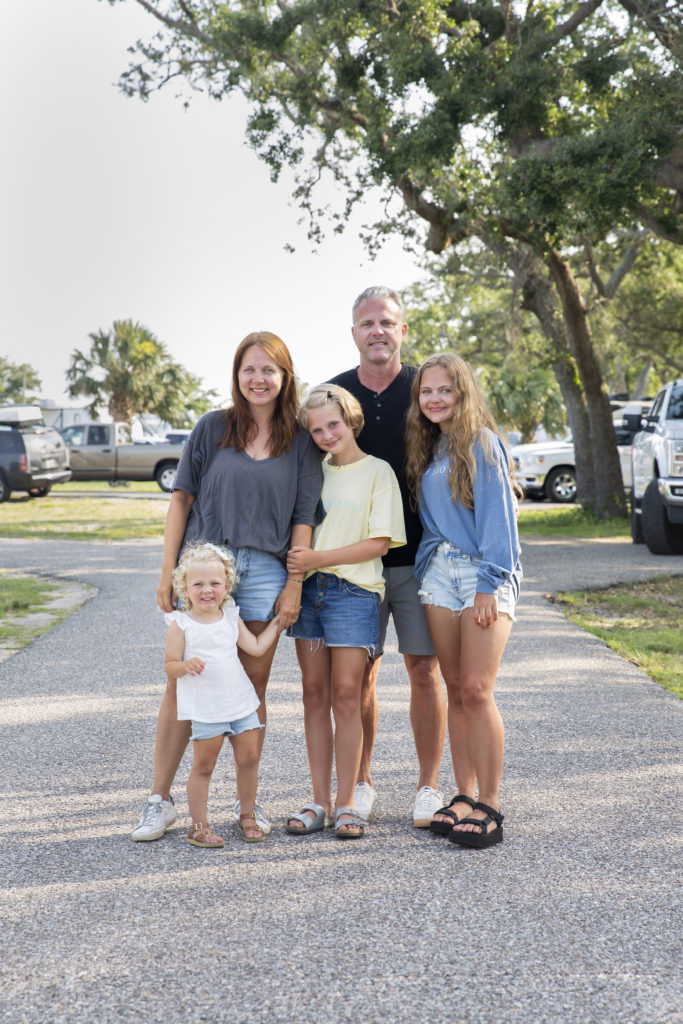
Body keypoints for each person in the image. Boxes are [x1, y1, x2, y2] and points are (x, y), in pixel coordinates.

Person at [132, 331, 323, 842]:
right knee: (183, 684)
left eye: (269, 370)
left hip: (265, 569)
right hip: (204, 566)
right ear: (237, 376)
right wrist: (168, 569)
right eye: (249, 369)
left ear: (285, 378)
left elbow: (303, 517)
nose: (258, 379)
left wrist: (294, 584)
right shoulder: (212, 428)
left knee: (249, 690)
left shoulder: (300, 441)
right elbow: (180, 500)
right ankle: (161, 801)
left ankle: (247, 806)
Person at [329, 287, 448, 828]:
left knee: (424, 670)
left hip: (421, 557)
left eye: (387, 322)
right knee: (362, 676)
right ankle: (363, 782)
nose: (377, 330)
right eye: (367, 323)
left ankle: (428, 786)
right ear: (353, 332)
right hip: (358, 565)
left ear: (403, 330)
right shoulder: (335, 397)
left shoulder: (428, 387)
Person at [405, 352, 522, 848]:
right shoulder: (430, 447)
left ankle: (491, 803)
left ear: (463, 392)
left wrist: (487, 584)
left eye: (444, 390)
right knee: (454, 687)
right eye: (426, 391)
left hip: (481, 574)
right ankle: (464, 794)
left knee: (477, 688)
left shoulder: (482, 443)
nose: (434, 399)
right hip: (437, 577)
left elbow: (499, 522)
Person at [284, 385, 406, 839]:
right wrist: (296, 583)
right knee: (313, 695)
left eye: (332, 424)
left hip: (355, 592)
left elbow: (379, 542)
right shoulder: (311, 471)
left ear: (351, 419)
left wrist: (318, 559)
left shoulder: (379, 472)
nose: (326, 434)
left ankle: (348, 802)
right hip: (309, 594)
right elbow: (298, 532)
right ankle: (318, 801)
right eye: (316, 430)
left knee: (347, 695)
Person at [164, 543, 283, 846]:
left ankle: (247, 814)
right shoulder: (182, 624)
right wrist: (184, 665)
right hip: (206, 708)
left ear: (227, 586)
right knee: (204, 765)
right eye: (198, 584)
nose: (207, 590)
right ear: (185, 587)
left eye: (215, 584)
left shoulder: (230, 616)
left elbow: (255, 647)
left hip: (240, 702)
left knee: (249, 757)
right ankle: (199, 825)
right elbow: (169, 666)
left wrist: (277, 625)